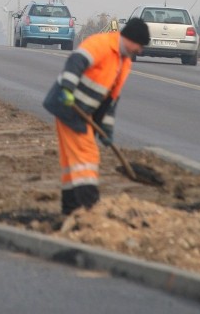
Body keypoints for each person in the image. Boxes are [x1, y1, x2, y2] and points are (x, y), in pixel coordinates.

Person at [43, 17, 150, 215]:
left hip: (84, 113)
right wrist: (67, 88)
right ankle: (90, 207)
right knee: (87, 156)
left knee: (71, 162)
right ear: (130, 38)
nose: (140, 50)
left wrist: (107, 129)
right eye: (140, 45)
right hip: (69, 106)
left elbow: (111, 101)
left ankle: (71, 208)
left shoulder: (124, 62)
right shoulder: (101, 44)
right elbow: (75, 62)